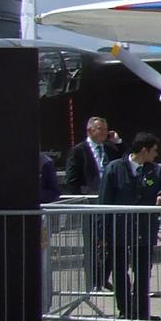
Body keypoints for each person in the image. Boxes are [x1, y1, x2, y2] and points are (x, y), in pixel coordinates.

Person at [98, 132, 161, 320]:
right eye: (154, 151)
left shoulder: (155, 170)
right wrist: (101, 233)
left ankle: (142, 311)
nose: (156, 155)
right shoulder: (114, 169)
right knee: (119, 270)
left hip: (143, 229)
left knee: (142, 272)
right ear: (144, 150)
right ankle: (125, 309)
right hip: (119, 230)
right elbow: (104, 201)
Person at [63, 115, 122, 290]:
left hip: (110, 203)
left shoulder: (111, 149)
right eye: (99, 129)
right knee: (93, 243)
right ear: (90, 131)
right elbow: (72, 178)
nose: (104, 133)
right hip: (91, 203)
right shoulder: (79, 150)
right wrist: (81, 199)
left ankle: (103, 278)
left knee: (111, 243)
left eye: (105, 129)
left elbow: (125, 161)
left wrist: (118, 142)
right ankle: (93, 281)